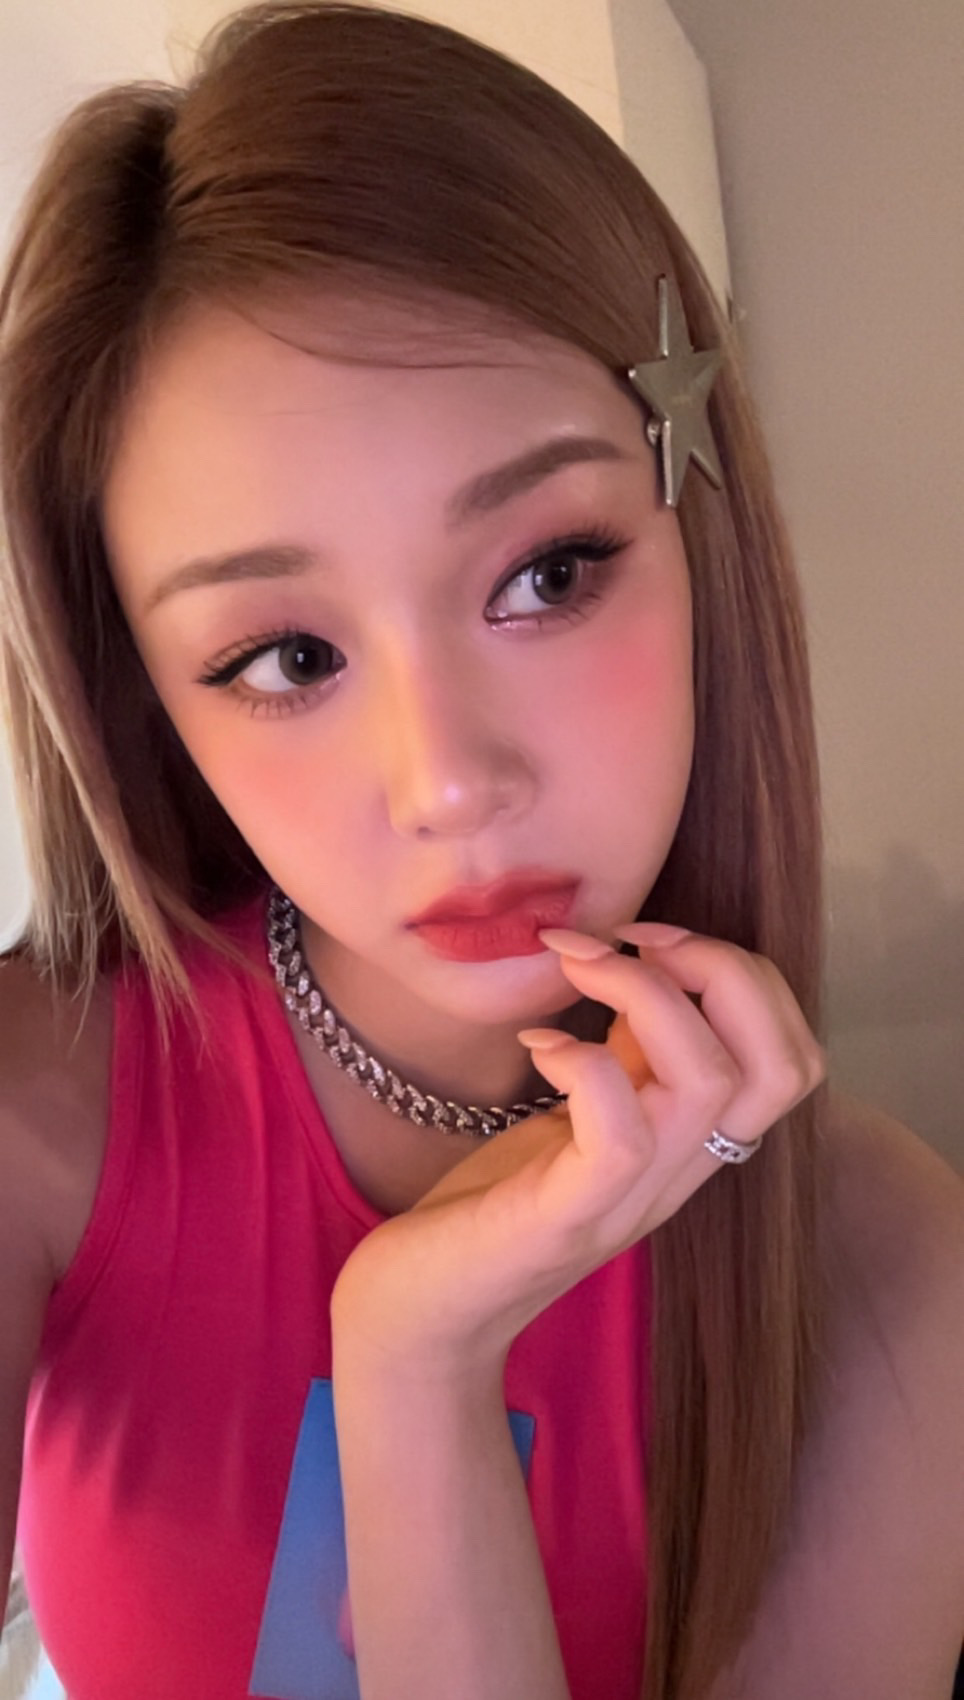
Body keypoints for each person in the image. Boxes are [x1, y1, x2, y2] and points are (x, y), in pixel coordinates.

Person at [0, 3, 961, 1697]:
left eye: (549, 573)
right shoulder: (37, 1109)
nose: (449, 782)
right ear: (149, 701)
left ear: (700, 542)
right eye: (285, 656)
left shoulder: (879, 1270)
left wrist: (419, 1360)